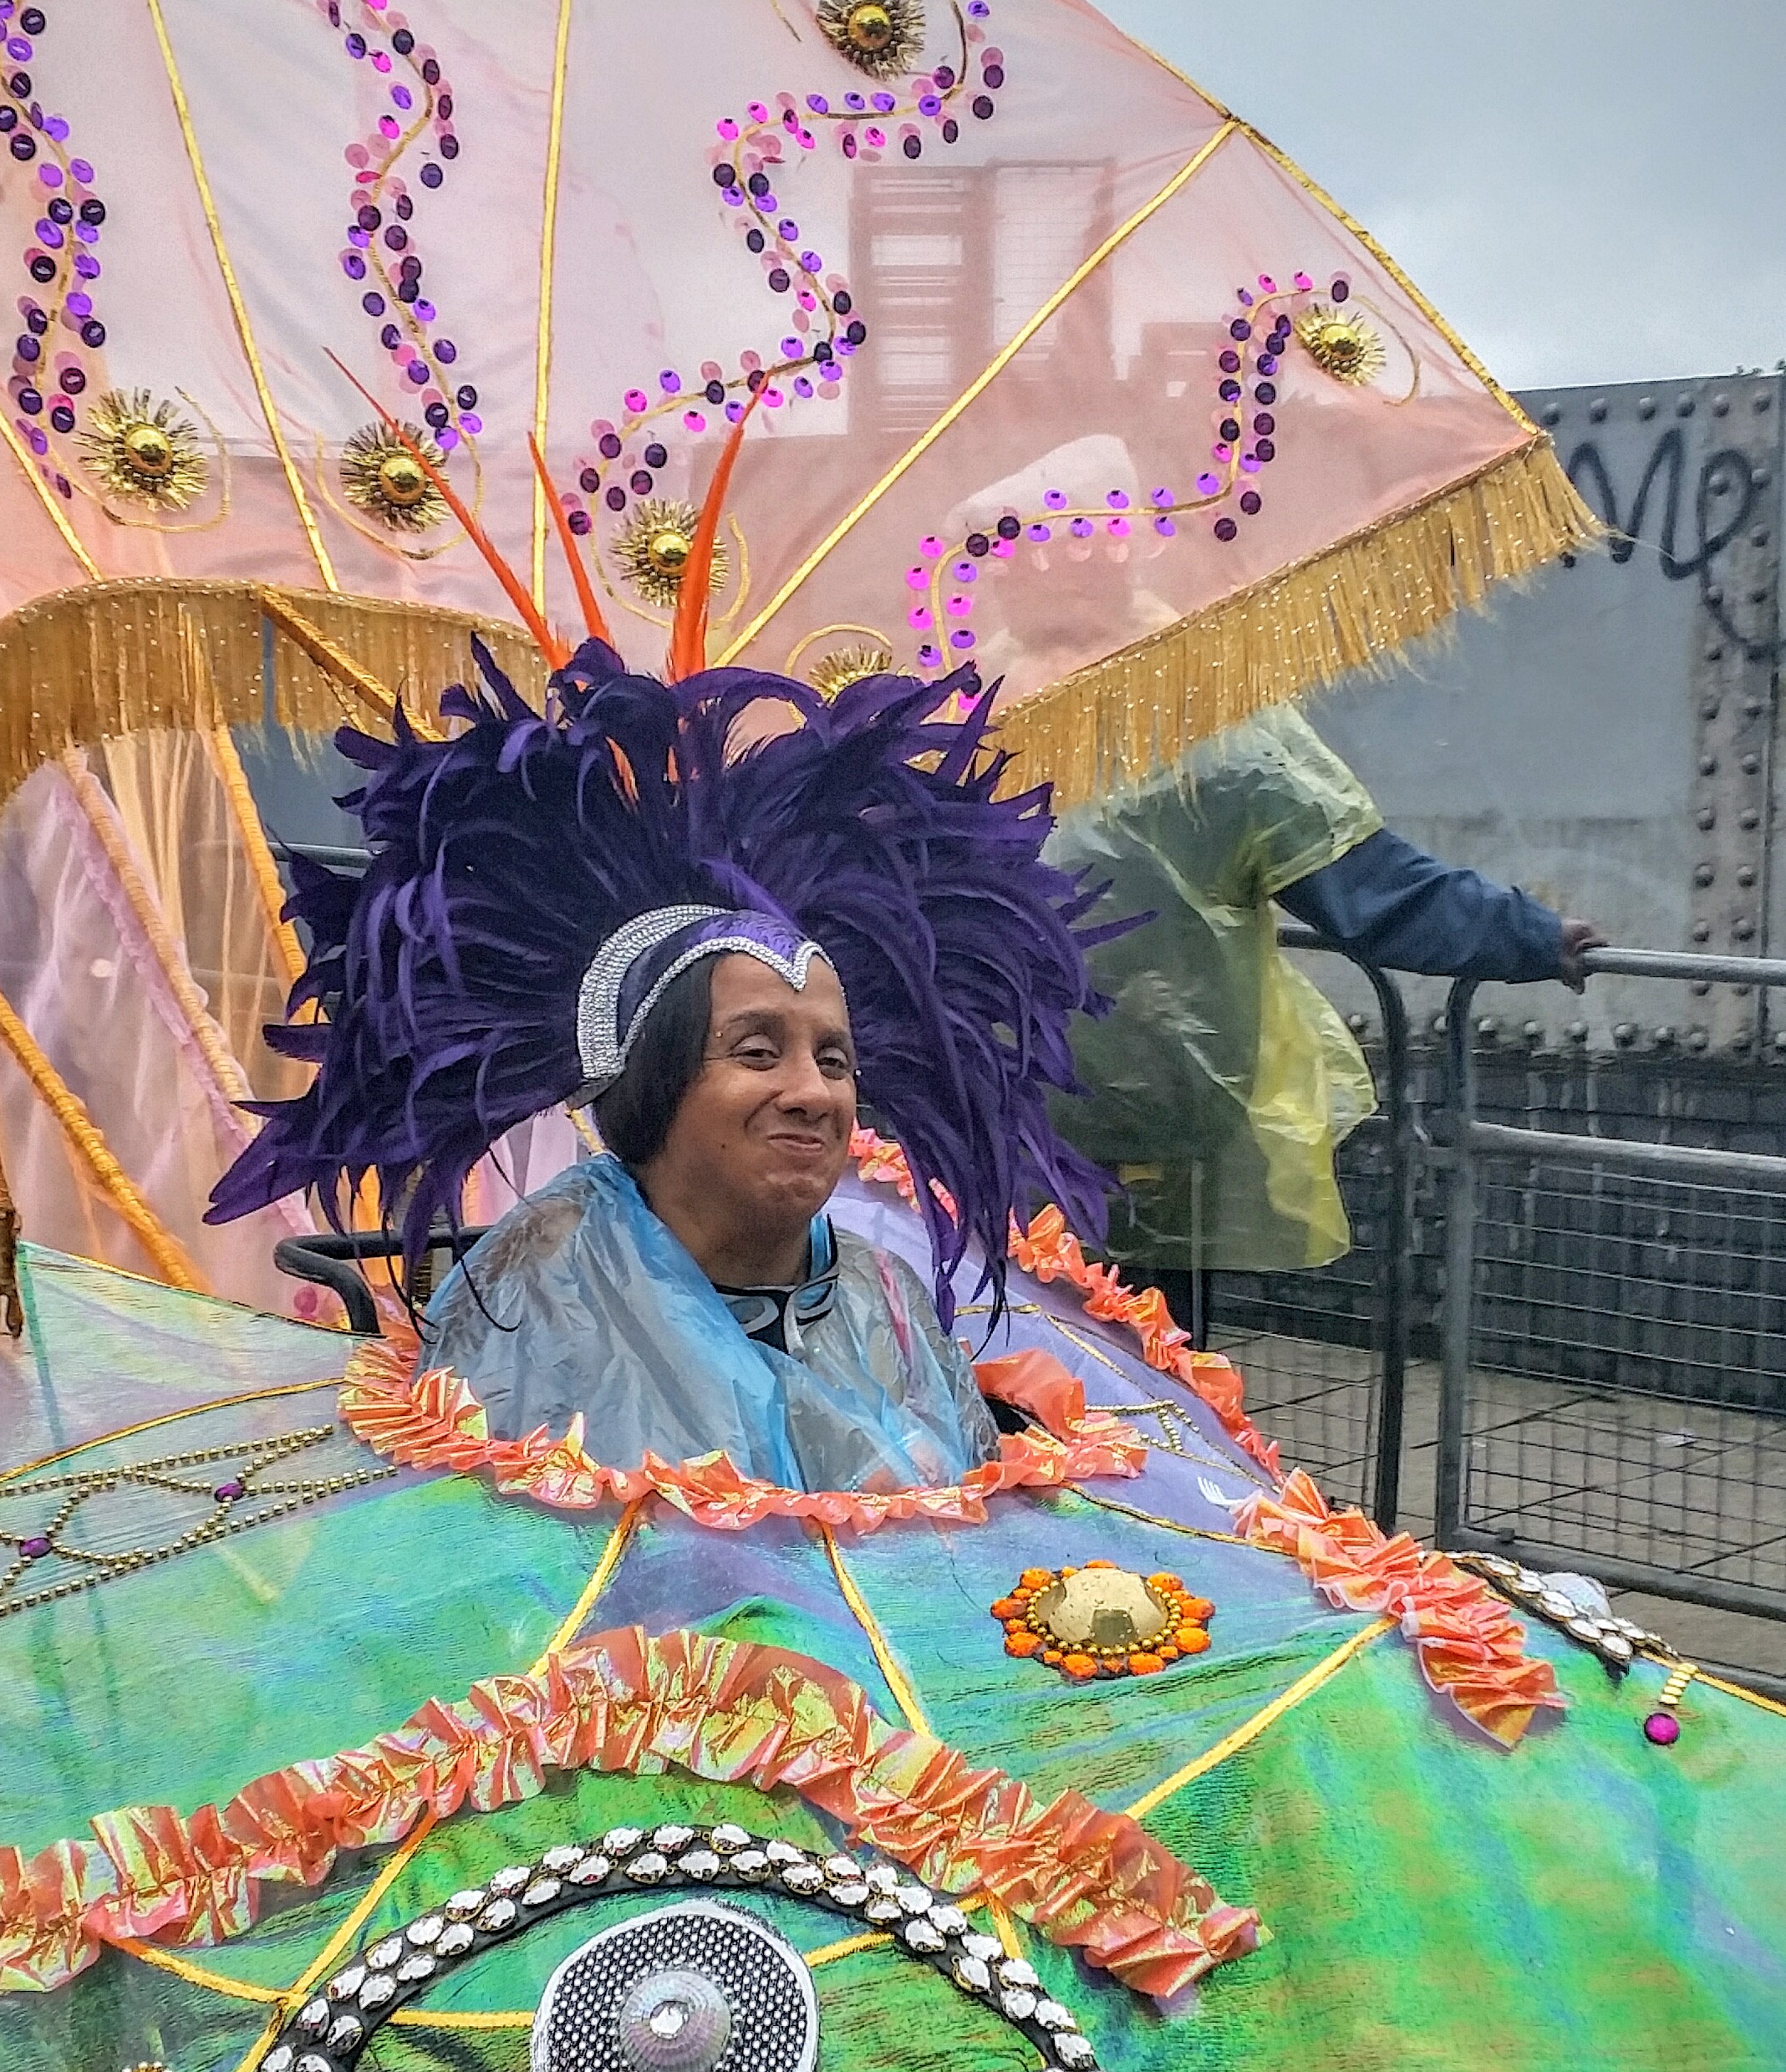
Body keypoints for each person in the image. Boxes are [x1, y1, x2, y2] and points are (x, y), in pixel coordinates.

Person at [210, 629, 1116, 1495]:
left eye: (833, 1059)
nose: (812, 1092)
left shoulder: (889, 1294)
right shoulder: (543, 1298)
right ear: (652, 1082)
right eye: (757, 1051)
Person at [1048, 698, 1605, 1339]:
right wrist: (1534, 937)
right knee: (1147, 1373)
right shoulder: (1220, 760)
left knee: (999, 1364)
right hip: (1158, 1119)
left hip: (987, 1122)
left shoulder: (988, 731)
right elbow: (1378, 890)